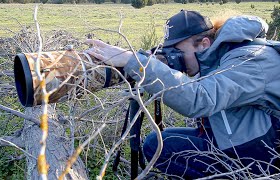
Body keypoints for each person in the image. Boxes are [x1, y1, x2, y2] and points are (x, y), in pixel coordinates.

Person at [86, 10, 280, 179]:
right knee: (160, 143)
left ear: (204, 44)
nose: (175, 59)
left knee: (157, 146)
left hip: (262, 155)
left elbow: (200, 99)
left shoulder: (250, 61)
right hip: (236, 139)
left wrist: (135, 62)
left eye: (178, 53)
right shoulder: (217, 55)